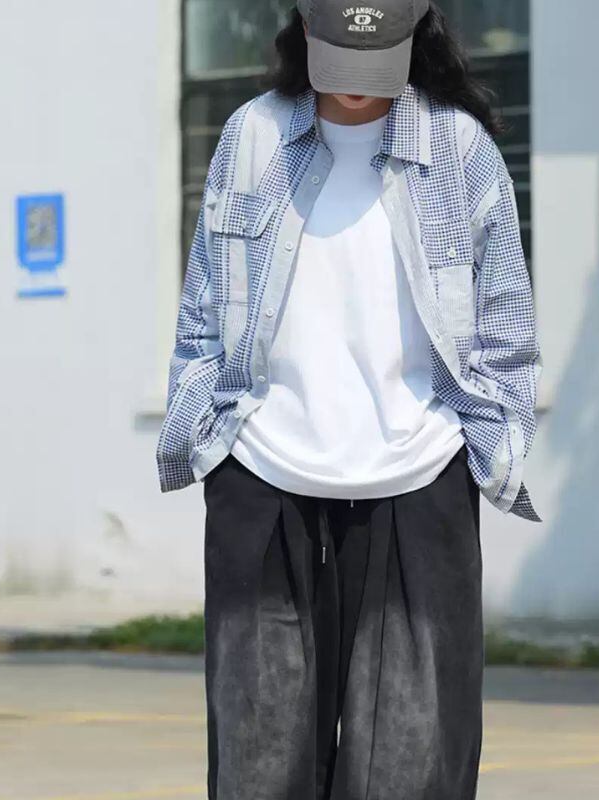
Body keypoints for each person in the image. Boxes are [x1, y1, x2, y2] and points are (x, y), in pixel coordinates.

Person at [156, 1, 543, 797]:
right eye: (340, 58)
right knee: (258, 771)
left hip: (420, 479)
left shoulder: (459, 148)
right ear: (305, 32)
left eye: (378, 59)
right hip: (261, 476)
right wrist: (208, 439)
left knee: (411, 772)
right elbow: (203, 307)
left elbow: (506, 317)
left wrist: (488, 444)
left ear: (415, 35)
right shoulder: (252, 136)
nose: (357, 85)